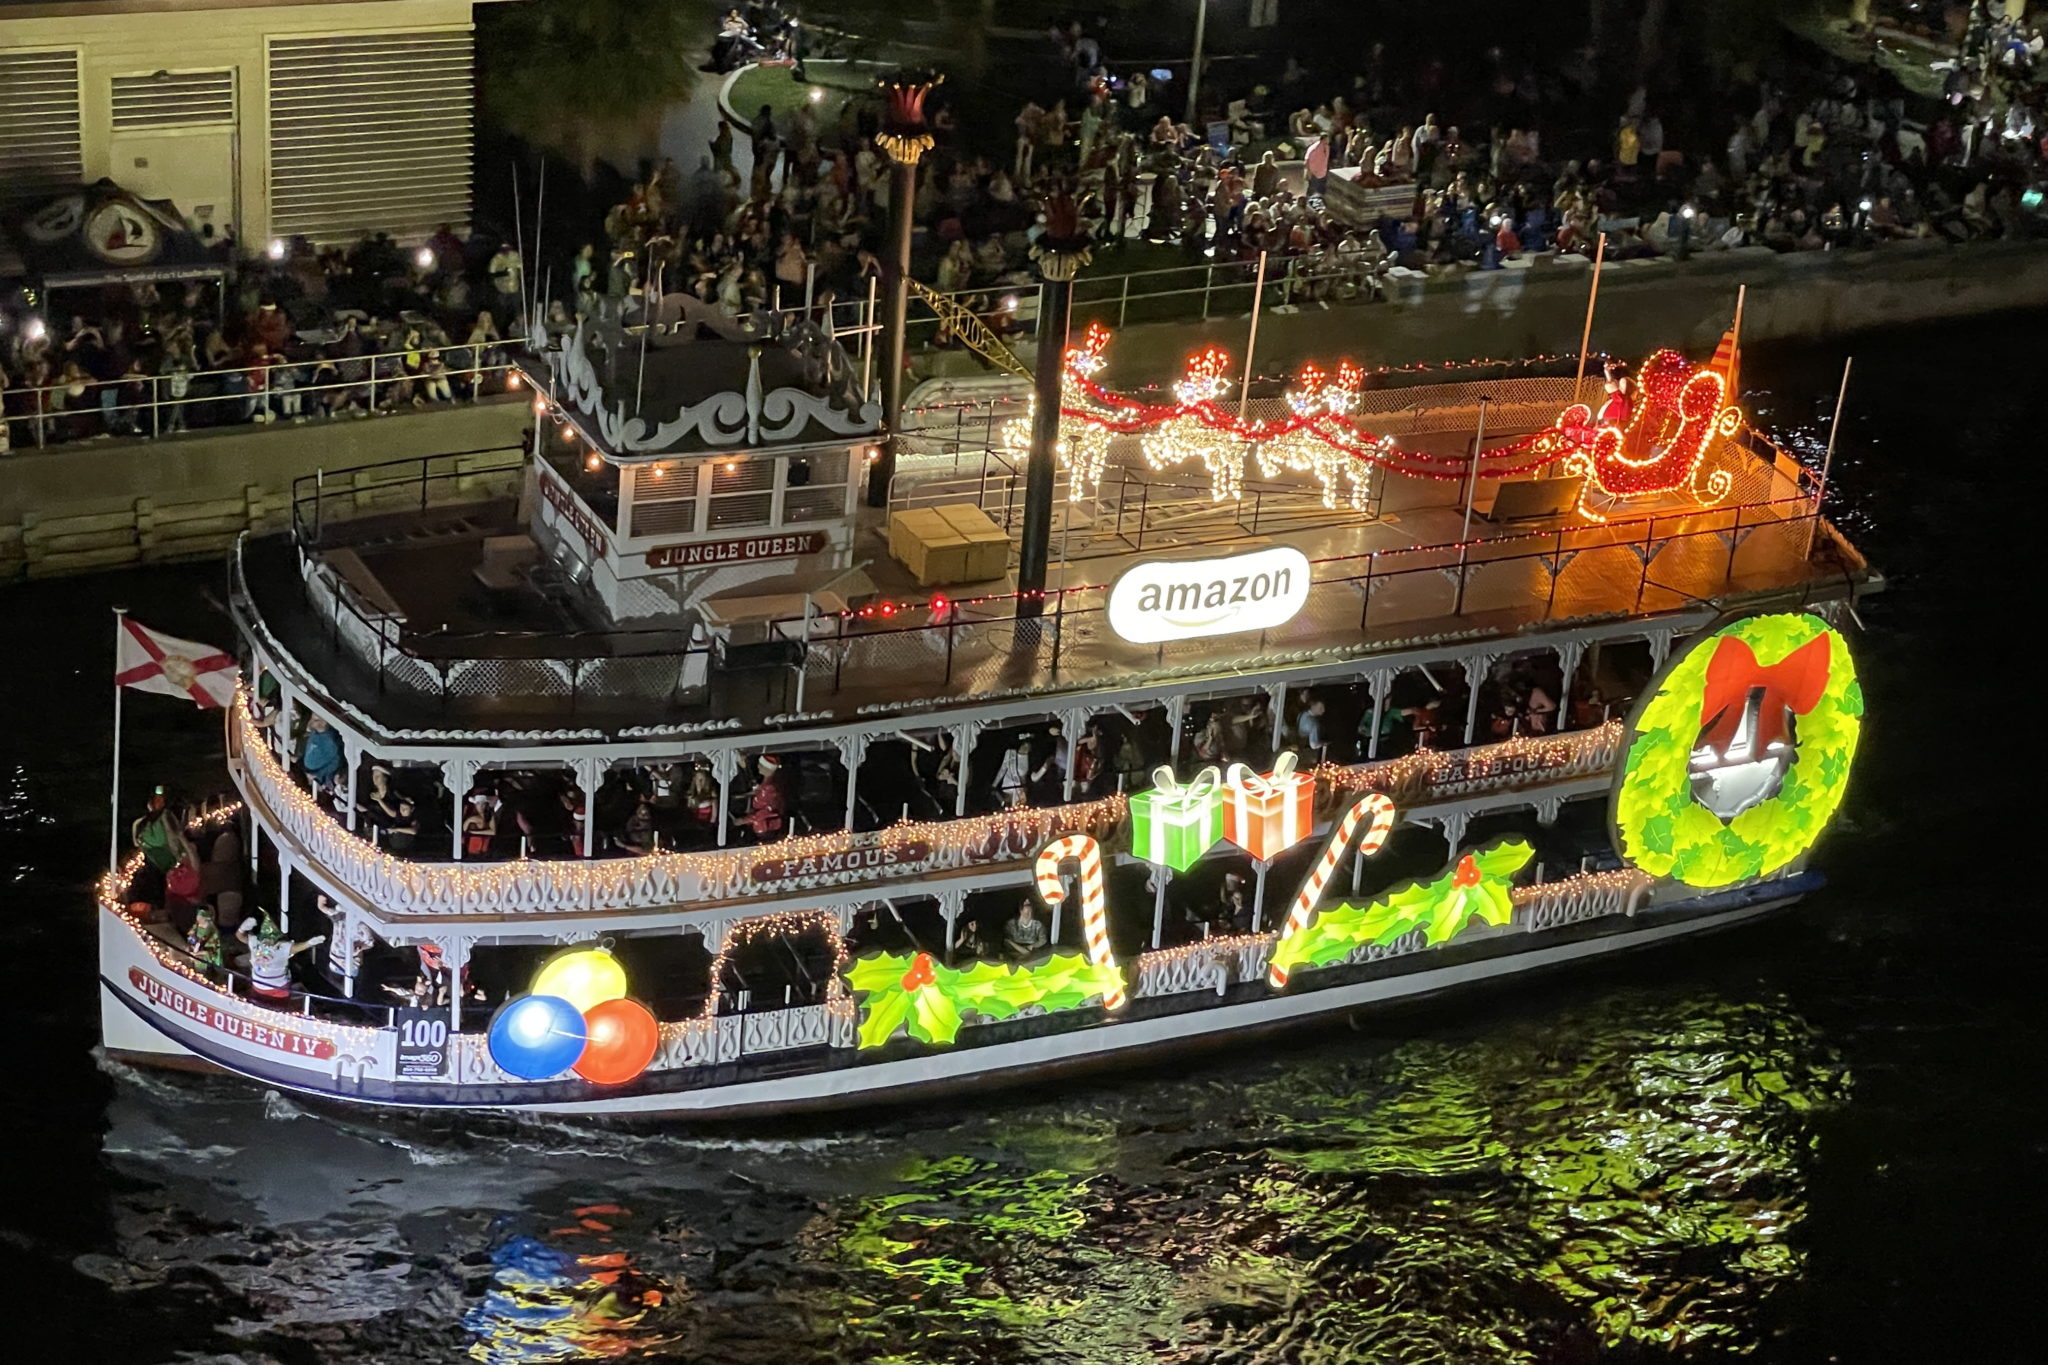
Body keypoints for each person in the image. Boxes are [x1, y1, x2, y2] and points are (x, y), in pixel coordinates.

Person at [236, 915, 325, 1001]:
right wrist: (243, 928)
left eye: (271, 939)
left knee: (279, 1011)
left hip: (279, 989)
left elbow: (296, 948)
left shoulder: (282, 948)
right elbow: (240, 936)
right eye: (265, 938)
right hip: (258, 986)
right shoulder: (255, 942)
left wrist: (310, 943)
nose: (267, 942)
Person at [738, 755, 789, 839]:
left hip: (764, 827)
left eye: (761, 765)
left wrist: (745, 820)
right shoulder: (767, 784)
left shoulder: (769, 788)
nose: (758, 767)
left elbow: (765, 812)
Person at [300, 716, 344, 792]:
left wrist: (319, 775)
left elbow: (335, 761)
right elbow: (309, 749)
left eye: (316, 720)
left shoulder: (330, 742)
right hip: (306, 770)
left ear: (324, 723)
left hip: (317, 775)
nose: (311, 721)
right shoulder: (314, 733)